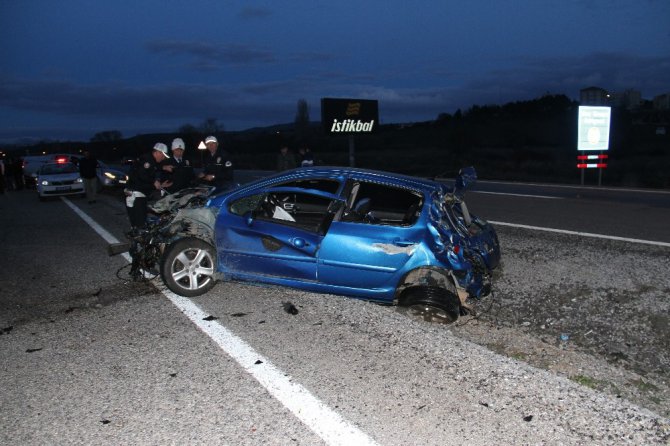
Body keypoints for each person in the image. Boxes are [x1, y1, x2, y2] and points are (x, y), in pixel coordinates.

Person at [125, 143, 172, 229]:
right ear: (157, 152)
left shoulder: (150, 160)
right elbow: (142, 174)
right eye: (162, 155)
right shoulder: (146, 160)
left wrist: (163, 168)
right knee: (139, 220)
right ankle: (137, 237)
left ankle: (137, 234)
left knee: (139, 219)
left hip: (139, 193)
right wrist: (154, 182)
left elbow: (154, 167)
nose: (163, 158)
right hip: (136, 193)